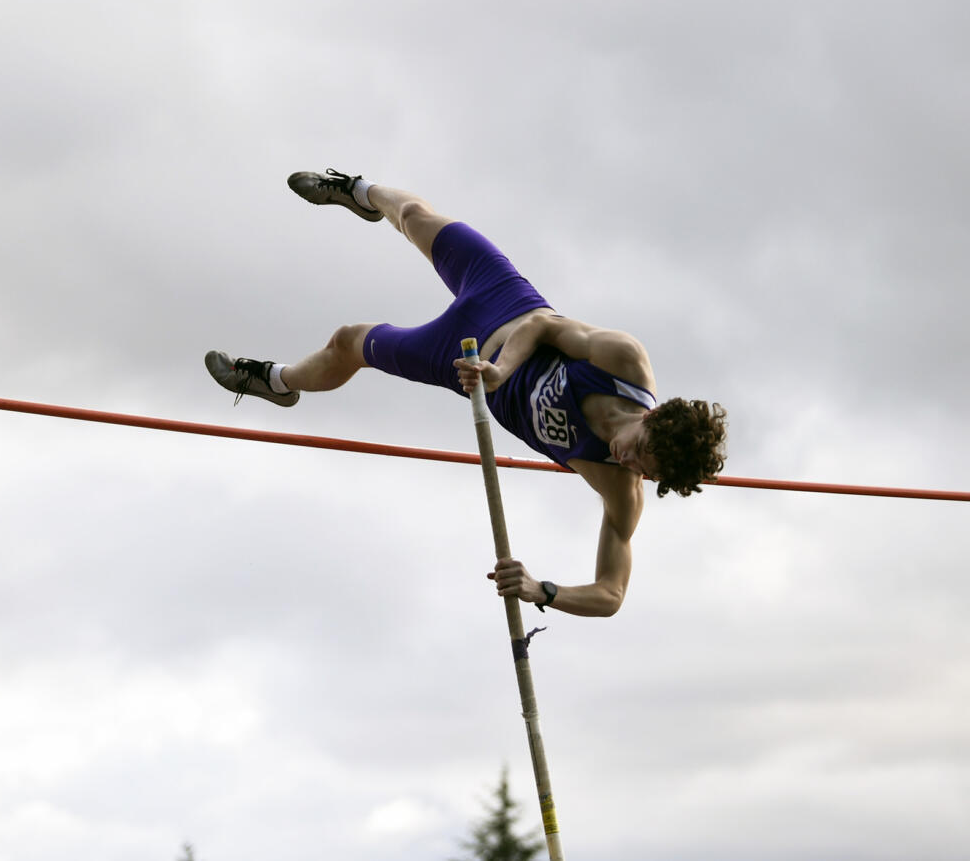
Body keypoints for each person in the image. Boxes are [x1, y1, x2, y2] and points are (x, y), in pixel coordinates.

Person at [206, 168, 727, 617]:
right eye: (640, 449)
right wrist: (501, 370)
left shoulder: (621, 490)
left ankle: (275, 382)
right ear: (656, 417)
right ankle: (361, 192)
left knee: (349, 343)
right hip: (501, 303)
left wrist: (543, 590)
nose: (628, 461)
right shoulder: (624, 361)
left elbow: (611, 593)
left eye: (643, 470)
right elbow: (544, 325)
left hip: (456, 362)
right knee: (412, 215)